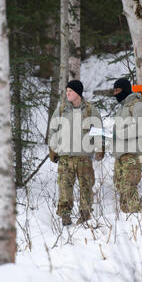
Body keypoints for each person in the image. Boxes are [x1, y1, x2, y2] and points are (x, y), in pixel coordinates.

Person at [48, 80, 104, 226]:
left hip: (84, 157)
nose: (67, 93)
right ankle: (65, 216)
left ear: (78, 93)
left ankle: (85, 215)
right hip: (65, 157)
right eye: (66, 91)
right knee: (64, 188)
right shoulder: (61, 110)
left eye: (70, 91)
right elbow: (53, 130)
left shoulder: (90, 110)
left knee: (86, 187)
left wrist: (100, 148)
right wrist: (52, 148)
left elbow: (98, 131)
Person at [112, 77, 142, 213]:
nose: (115, 93)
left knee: (129, 187)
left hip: (133, 154)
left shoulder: (139, 106)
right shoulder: (122, 108)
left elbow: (140, 128)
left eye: (118, 90)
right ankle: (127, 220)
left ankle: (135, 218)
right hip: (121, 154)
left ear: (125, 89)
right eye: (114, 90)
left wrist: (120, 134)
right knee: (121, 188)